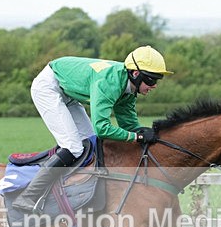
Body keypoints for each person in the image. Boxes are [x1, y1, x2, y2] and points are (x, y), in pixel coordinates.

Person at [11, 45, 173, 213]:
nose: (154, 86)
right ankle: (28, 195)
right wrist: (136, 137)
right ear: (136, 74)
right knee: (73, 148)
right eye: (151, 80)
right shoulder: (109, 83)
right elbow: (103, 128)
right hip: (48, 87)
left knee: (92, 144)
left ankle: (84, 189)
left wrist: (146, 133)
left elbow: (129, 126)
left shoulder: (129, 89)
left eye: (157, 80)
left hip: (69, 93)